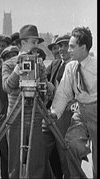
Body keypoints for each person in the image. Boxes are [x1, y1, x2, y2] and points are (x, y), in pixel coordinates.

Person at [2, 24, 50, 178]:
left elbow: (44, 94)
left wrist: (44, 83)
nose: (36, 46)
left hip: (35, 115)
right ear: (23, 43)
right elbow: (7, 87)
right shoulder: (9, 63)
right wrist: (17, 71)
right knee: (15, 161)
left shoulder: (40, 63)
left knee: (35, 160)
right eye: (33, 42)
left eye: (37, 43)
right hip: (16, 116)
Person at [50, 27, 97, 178]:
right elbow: (63, 92)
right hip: (81, 113)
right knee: (69, 145)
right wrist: (54, 112)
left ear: (83, 47)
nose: (67, 49)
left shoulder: (95, 66)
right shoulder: (71, 67)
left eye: (72, 46)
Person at [43, 35, 75, 178]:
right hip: (51, 115)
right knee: (43, 152)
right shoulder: (55, 64)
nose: (62, 49)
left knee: (66, 156)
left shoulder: (76, 65)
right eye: (59, 46)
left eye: (65, 45)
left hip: (67, 118)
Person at [0, 45, 19, 179]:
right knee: (5, 158)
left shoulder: (24, 77)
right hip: (2, 125)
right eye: (7, 57)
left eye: (14, 56)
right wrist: (1, 119)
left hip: (19, 122)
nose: (11, 59)